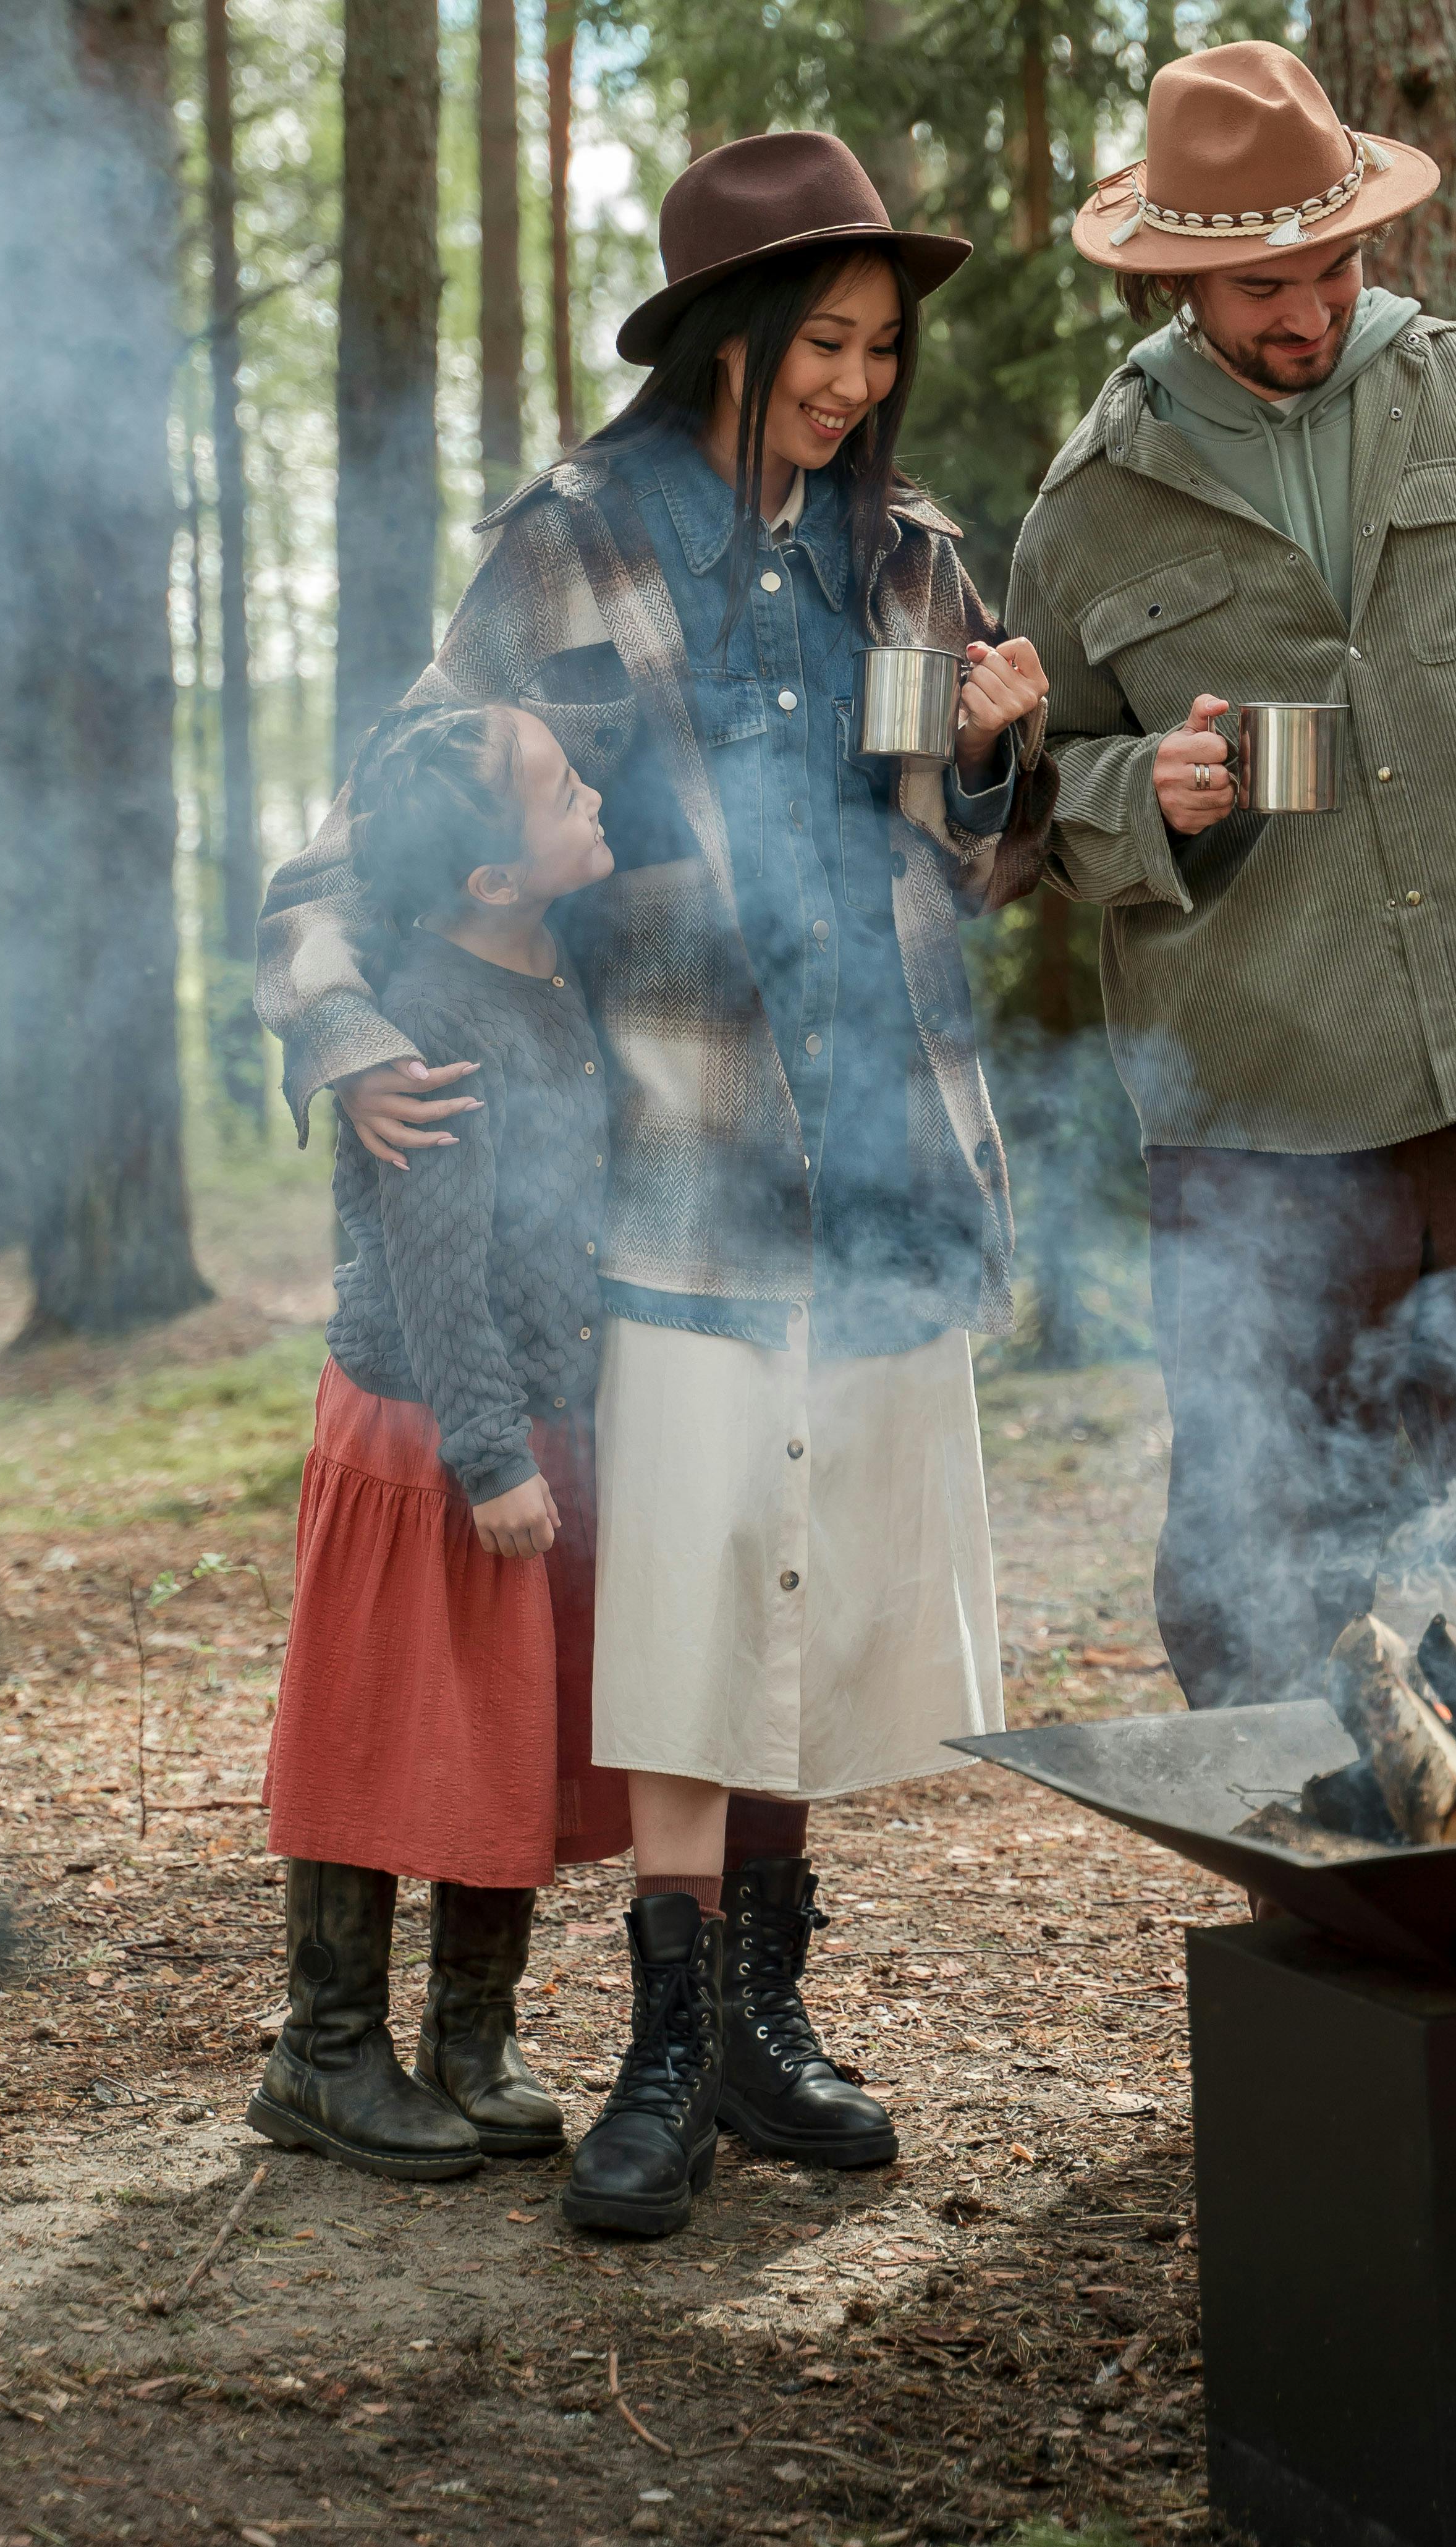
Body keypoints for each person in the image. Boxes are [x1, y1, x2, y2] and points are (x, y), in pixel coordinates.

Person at [259, 132, 1052, 2243]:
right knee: (696, 1600)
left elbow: (968, 868)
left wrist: (995, 757)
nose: (856, 383)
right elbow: (380, 823)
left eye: (885, 346)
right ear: (731, 331)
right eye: (824, 339)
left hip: (882, 1153)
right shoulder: (567, 547)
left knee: (825, 1590)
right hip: (671, 1160)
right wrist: (338, 1028)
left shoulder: (916, 560)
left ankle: (774, 2026)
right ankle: (667, 2044)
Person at [1002, 40, 1456, 1723]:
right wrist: (1133, 793)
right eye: (1264, 287)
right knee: (1260, 1574)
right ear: (1177, 282)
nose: (1309, 310)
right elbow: (1018, 806)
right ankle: (1320, 1923)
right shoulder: (1089, 508)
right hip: (1254, 1128)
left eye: (1336, 268)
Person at [253, 697, 630, 2184]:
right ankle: (325, 2051)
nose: (590, 790)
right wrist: (490, 1456)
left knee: (509, 1736)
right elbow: (433, 1267)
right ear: (489, 877)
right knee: (375, 1733)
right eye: (558, 789)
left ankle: (475, 2039)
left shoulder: (548, 960)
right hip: (433, 1428)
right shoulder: (430, 1030)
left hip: (525, 1414)